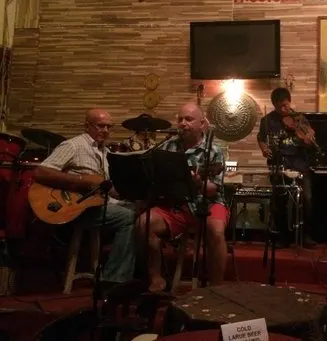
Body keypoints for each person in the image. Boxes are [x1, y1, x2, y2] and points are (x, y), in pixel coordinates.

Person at [33, 108, 137, 285]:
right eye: (100, 126)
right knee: (128, 218)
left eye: (108, 127)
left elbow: (106, 188)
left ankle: (132, 274)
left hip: (96, 205)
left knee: (140, 212)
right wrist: (82, 180)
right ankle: (113, 280)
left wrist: (134, 194)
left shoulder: (104, 152)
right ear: (87, 126)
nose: (105, 130)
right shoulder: (73, 145)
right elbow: (41, 172)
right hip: (75, 208)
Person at [136, 103, 228, 292]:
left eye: (189, 119)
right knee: (143, 223)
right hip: (175, 204)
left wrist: (196, 182)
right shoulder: (168, 146)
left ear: (202, 124)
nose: (183, 123)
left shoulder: (215, 150)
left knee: (216, 231)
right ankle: (156, 277)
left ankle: (216, 288)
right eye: (180, 119)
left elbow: (213, 189)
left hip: (207, 203)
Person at [257, 87, 318, 249]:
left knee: (307, 199)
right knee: (279, 201)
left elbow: (310, 140)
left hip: (300, 164)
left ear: (290, 102)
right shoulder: (267, 121)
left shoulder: (300, 119)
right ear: (274, 106)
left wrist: (308, 139)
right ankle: (283, 236)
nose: (284, 110)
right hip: (279, 164)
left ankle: (306, 235)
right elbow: (261, 139)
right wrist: (264, 149)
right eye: (279, 107)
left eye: (285, 105)